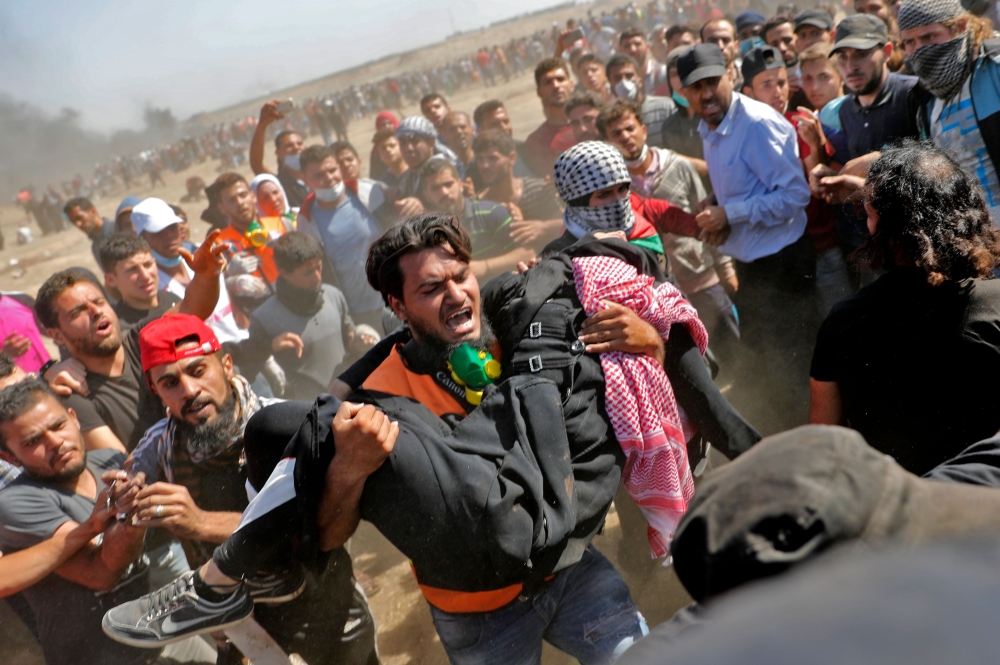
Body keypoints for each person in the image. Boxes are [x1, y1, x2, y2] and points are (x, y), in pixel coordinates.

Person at [104, 211, 755, 663]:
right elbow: (331, 534)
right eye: (430, 288)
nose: (456, 296)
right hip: (477, 608)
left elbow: (654, 328)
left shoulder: (516, 323)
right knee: (290, 427)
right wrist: (353, 468)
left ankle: (223, 578)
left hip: (575, 571)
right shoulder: (370, 392)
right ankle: (235, 574)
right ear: (396, 306)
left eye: (460, 276)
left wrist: (648, 341)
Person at [123, 313, 379, 664]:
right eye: (170, 383)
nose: (189, 391)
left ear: (226, 365)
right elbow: (134, 484)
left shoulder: (282, 428)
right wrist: (128, 494)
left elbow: (306, 526)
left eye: (198, 371)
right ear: (157, 393)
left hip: (321, 601)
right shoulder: (162, 445)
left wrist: (198, 522)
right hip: (241, 614)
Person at [810, 141, 1000, 475]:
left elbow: (823, 451)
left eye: (869, 215)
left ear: (884, 228)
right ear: (966, 211)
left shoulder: (843, 322)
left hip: (897, 514)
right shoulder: (995, 304)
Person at [0, 380, 194, 665]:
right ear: (9, 458)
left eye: (58, 425)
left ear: (74, 418)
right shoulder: (16, 502)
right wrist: (129, 515)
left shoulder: (109, 461)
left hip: (159, 635)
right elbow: (101, 573)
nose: (55, 442)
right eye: (32, 442)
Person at [678, 43, 815, 432]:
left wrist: (730, 213)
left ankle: (812, 447)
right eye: (695, 87)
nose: (705, 94)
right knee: (763, 364)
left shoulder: (757, 123)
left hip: (784, 265)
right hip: (753, 267)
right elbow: (750, 185)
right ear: (683, 93)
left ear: (731, 75)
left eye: (712, 82)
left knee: (790, 367)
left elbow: (795, 196)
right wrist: (717, 203)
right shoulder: (711, 126)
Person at [36, 229, 228, 450]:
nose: (95, 312)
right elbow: (124, 466)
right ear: (56, 335)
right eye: (78, 311)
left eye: (98, 302)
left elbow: (191, 309)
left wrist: (206, 275)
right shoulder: (72, 393)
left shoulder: (143, 339)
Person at [597, 100, 739, 351]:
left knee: (730, 344)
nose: (625, 137)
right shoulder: (612, 187)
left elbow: (707, 218)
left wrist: (726, 268)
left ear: (643, 129)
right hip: (656, 291)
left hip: (701, 274)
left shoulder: (678, 166)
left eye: (630, 129)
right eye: (616, 134)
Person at [811, 15, 919, 254]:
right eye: (843, 57)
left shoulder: (913, 94)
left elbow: (938, 164)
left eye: (861, 54)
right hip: (873, 245)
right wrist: (833, 177)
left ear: (887, 52)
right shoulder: (846, 110)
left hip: (919, 241)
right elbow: (861, 178)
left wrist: (880, 159)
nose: (851, 66)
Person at [236, 233, 377, 401]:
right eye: (308, 272)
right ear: (285, 273)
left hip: (348, 396)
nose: (317, 277)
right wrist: (269, 348)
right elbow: (250, 369)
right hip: (307, 410)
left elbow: (349, 337)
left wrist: (361, 339)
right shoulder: (264, 318)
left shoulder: (333, 296)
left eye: (319, 267)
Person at [898, 0, 1000, 220]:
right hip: (978, 240)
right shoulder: (923, 98)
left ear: (960, 27)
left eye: (928, 37)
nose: (919, 50)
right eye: (909, 42)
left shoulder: (995, 68)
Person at [294, 145, 385, 332]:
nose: (328, 178)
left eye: (332, 170)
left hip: (398, 297)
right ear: (306, 180)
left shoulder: (370, 193)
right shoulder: (307, 223)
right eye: (318, 175)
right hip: (360, 315)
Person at [132, 198, 246, 344]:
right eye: (158, 232)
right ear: (143, 239)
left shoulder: (205, 253)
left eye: (172, 227)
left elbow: (230, 299)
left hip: (243, 341)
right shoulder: (149, 282)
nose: (168, 236)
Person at [418, 158, 534, 281]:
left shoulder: (493, 212)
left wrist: (485, 267)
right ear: (426, 195)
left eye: (448, 184)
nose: (444, 192)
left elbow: (528, 253)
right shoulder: (428, 232)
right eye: (435, 188)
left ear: (460, 185)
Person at [472, 130, 565, 253]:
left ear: (512, 158)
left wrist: (543, 227)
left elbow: (568, 224)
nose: (485, 166)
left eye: (492, 158)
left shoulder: (538, 190)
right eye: (480, 159)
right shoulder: (479, 205)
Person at [214, 173, 288, 287]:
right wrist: (229, 276)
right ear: (222, 208)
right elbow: (213, 286)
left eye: (243, 195)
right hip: (255, 302)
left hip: (293, 296)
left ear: (253, 197)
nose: (240, 203)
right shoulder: (219, 244)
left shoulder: (282, 224)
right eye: (231, 200)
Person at [99, 234, 181, 332]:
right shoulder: (121, 329)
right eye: (132, 270)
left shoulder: (171, 299)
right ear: (111, 280)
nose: (145, 276)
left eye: (148, 265)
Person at [606, 53, 677, 148]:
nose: (624, 82)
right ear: (610, 86)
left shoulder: (666, 107)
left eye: (629, 75)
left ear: (640, 81)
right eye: (617, 78)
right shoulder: (610, 121)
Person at [248, 100, 309, 208]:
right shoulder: (280, 185)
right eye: (289, 146)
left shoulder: (319, 176)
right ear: (278, 153)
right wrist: (262, 124)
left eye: (299, 143)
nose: (296, 147)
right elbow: (256, 164)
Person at [523, 58, 577, 177]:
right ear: (539, 92)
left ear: (571, 85)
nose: (556, 86)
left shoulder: (592, 122)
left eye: (560, 79)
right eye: (547, 82)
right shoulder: (536, 141)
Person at [473, 99, 536, 177]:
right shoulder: (476, 168)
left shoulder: (527, 150)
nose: (504, 127)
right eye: (495, 124)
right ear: (480, 131)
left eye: (506, 121)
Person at [762, 15, 812, 109]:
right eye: (774, 44)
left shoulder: (816, 67)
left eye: (787, 41)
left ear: (797, 39)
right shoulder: (764, 81)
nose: (782, 48)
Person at [330, 140, 388, 216]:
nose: (346, 165)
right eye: (340, 163)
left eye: (349, 159)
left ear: (359, 161)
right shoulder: (334, 201)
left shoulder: (379, 188)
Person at [0, 292, 51, 376]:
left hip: (46, 373)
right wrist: (4, 355)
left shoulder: (21, 299)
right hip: (14, 384)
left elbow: (48, 330)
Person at [64, 197, 116, 267]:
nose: (77, 224)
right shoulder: (95, 247)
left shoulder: (119, 230)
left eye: (79, 218)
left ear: (92, 211)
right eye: (73, 222)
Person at [438, 111, 484, 190]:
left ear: (473, 130)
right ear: (443, 135)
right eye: (452, 129)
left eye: (463, 127)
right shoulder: (444, 170)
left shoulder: (485, 162)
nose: (459, 132)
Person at [618, 27, 669, 94]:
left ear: (647, 47)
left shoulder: (663, 73)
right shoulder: (619, 79)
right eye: (627, 46)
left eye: (637, 44)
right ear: (620, 51)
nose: (632, 50)